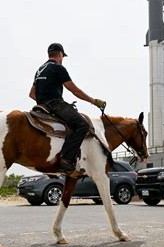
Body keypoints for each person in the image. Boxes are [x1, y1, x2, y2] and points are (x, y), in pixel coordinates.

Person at [29, 43, 106, 172]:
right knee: (83, 125)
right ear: (60, 54)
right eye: (62, 57)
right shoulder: (58, 68)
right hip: (55, 104)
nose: (62, 59)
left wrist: (43, 100)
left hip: (40, 106)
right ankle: (66, 159)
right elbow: (75, 91)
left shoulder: (39, 70)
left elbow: (31, 94)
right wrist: (94, 101)